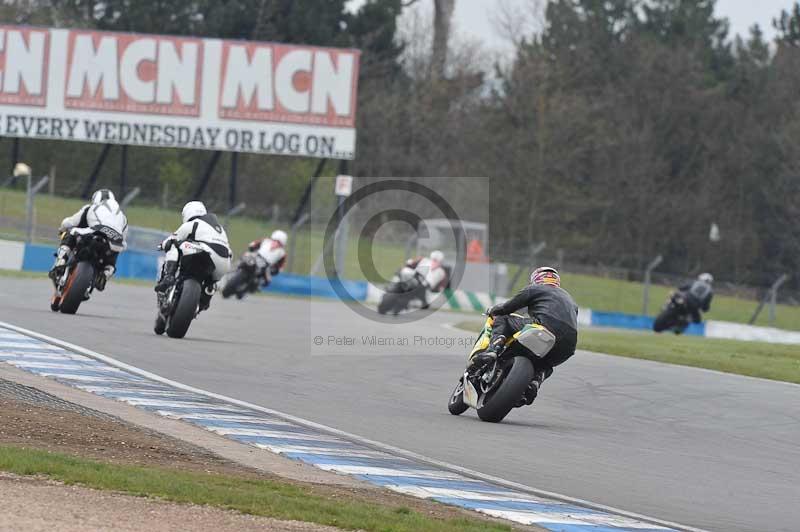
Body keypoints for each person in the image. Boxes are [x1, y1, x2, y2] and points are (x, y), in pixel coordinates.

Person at [469, 266, 578, 405]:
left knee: (503, 318)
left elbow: (507, 307)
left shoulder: (535, 288)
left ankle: (493, 350)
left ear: (536, 278)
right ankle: (535, 382)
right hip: (569, 345)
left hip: (544, 327)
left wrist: (493, 310)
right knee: (546, 365)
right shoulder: (570, 300)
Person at [154, 201, 231, 310]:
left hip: (205, 252)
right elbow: (229, 250)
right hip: (224, 262)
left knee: (173, 244)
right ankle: (207, 294)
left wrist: (161, 245)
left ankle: (169, 276)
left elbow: (172, 238)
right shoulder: (220, 228)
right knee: (210, 282)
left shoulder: (193, 223)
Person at [48, 189, 128, 291]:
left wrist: (61, 229)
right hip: (113, 241)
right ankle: (105, 274)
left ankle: (61, 261)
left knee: (71, 232)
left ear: (95, 199)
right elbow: (122, 240)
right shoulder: (123, 218)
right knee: (113, 255)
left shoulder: (90, 208)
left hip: (94, 231)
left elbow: (70, 222)